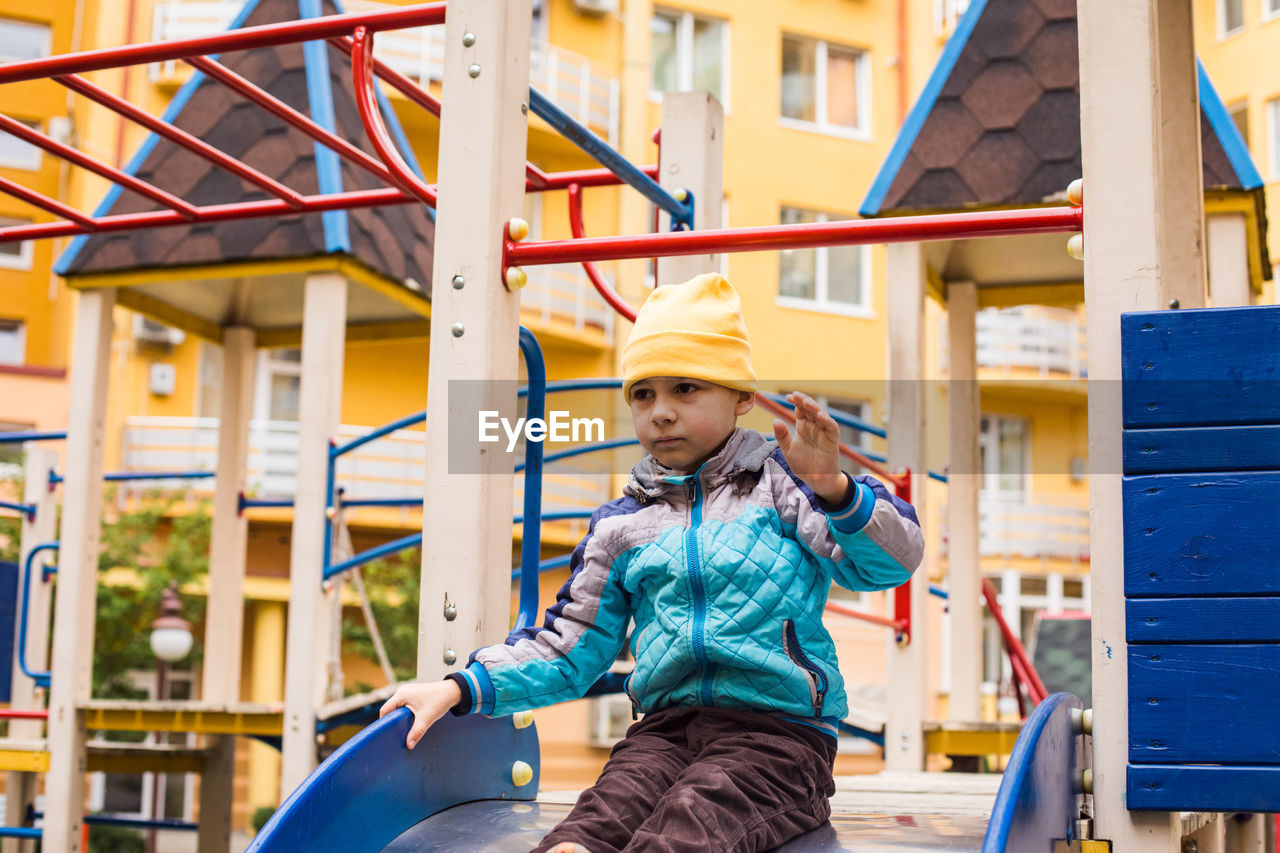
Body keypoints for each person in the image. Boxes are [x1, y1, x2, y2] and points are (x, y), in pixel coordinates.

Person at [380, 272, 924, 853]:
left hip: (779, 737)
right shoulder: (622, 523)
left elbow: (889, 564)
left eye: (685, 389)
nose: (660, 412)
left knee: (689, 826)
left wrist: (836, 489)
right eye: (643, 394)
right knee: (588, 831)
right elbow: (571, 647)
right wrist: (462, 687)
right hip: (663, 733)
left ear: (741, 396)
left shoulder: (786, 487)